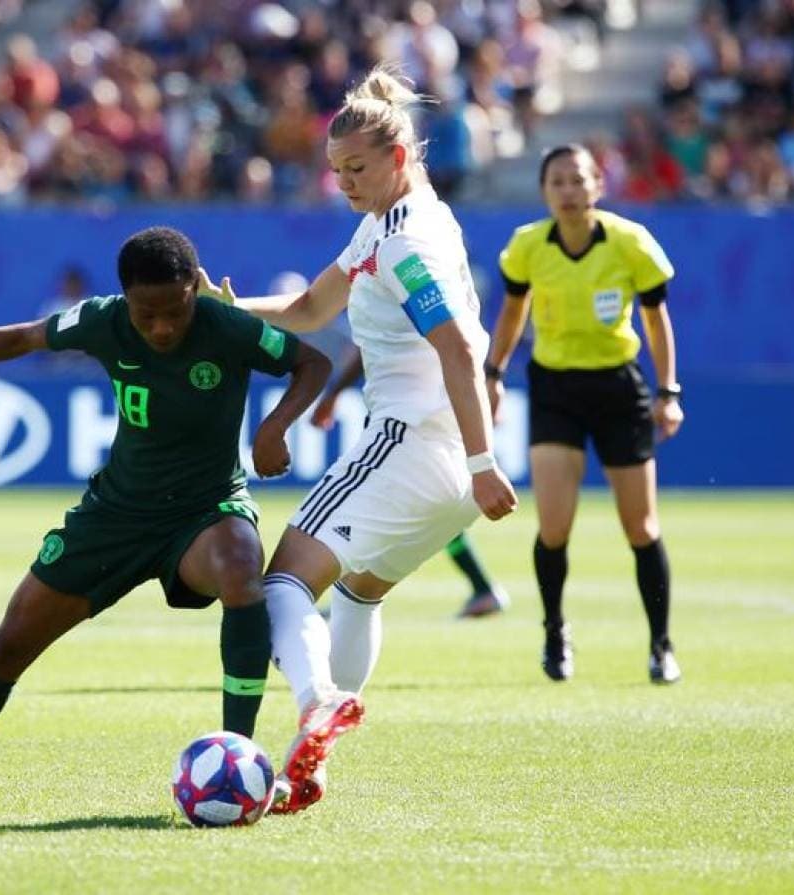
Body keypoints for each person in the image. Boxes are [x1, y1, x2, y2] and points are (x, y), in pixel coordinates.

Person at [0, 226, 331, 815]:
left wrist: (274, 427)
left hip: (204, 511)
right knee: (10, 644)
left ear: (196, 290)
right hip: (116, 515)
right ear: (126, 301)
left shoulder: (230, 328)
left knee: (240, 565)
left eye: (175, 310)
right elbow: (17, 339)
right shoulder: (102, 320)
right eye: (148, 315)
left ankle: (241, 761)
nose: (164, 327)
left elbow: (313, 362)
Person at [200, 65, 517, 814]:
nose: (344, 182)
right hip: (443, 467)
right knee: (359, 589)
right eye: (337, 170)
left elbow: (461, 350)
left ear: (399, 159)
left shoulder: (406, 245)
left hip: (411, 442)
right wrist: (235, 308)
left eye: (358, 168)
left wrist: (483, 463)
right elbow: (312, 308)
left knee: (276, 580)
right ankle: (307, 758)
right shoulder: (391, 221)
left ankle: (315, 702)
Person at [483, 143, 684, 686]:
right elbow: (511, 314)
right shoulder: (527, 246)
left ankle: (660, 644)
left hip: (619, 389)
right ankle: (554, 632)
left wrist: (667, 392)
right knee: (553, 525)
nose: (569, 192)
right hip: (555, 390)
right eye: (557, 183)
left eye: (578, 180)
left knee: (640, 526)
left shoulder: (630, 242)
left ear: (598, 184)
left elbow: (656, 320)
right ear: (545, 191)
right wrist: (494, 374)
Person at [309, 345, 510, 618]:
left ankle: (348, 600)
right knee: (431, 508)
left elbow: (366, 345)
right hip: (432, 410)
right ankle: (482, 587)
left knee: (376, 503)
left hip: (411, 414)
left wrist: (334, 391)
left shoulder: (401, 308)